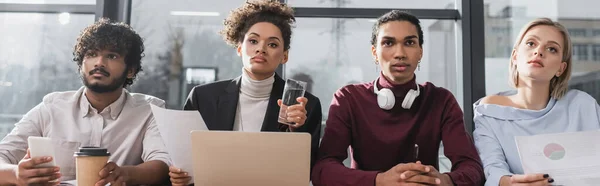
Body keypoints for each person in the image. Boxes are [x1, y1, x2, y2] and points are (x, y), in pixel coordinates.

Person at [311, 10, 484, 186]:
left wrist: (445, 180)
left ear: (420, 52)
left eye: (409, 42)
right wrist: (379, 181)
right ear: (374, 52)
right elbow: (322, 169)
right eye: (388, 43)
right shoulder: (348, 99)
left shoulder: (441, 100)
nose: (399, 53)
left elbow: (472, 168)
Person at [0, 18, 171, 186]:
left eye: (111, 56)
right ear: (81, 64)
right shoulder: (51, 108)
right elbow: (3, 155)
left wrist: (125, 174)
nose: (99, 63)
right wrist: (16, 174)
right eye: (91, 54)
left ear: (131, 71)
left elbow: (162, 163)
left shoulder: (149, 110)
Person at [168, 1, 322, 185]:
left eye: (272, 44)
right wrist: (179, 176)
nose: (261, 49)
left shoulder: (304, 104)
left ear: (284, 56)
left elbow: (306, 172)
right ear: (239, 48)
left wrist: (296, 130)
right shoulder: (203, 97)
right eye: (253, 41)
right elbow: (185, 159)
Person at [473, 18, 600, 186]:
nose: (539, 51)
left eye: (552, 49)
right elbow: (493, 168)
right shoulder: (490, 111)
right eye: (531, 43)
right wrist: (508, 183)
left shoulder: (583, 106)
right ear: (515, 56)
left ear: (561, 69)